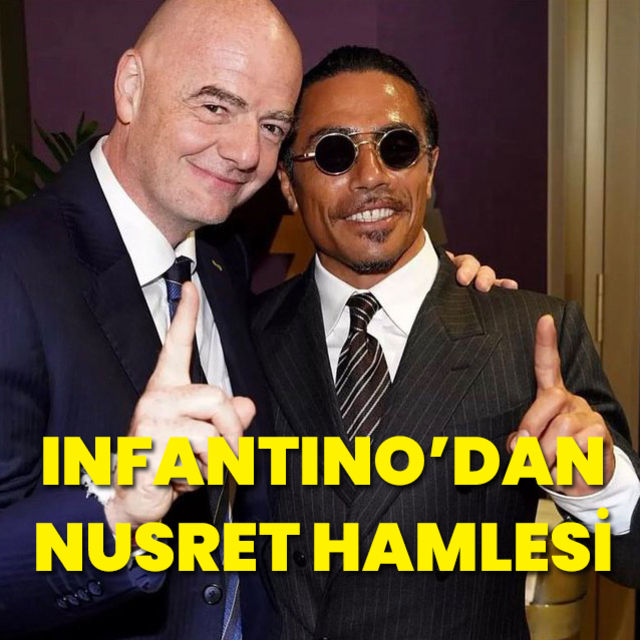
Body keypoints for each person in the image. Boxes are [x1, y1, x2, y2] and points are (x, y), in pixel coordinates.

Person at [0, 2, 501, 638]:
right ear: (131, 87)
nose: (244, 153)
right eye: (215, 106)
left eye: (271, 126)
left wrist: (437, 292)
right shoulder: (14, 269)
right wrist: (118, 508)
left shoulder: (219, 261)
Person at [251, 46, 640, 639]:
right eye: (333, 153)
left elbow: (633, 555)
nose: (371, 176)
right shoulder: (245, 334)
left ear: (430, 169)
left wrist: (598, 487)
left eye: (397, 147)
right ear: (287, 182)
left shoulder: (532, 334)